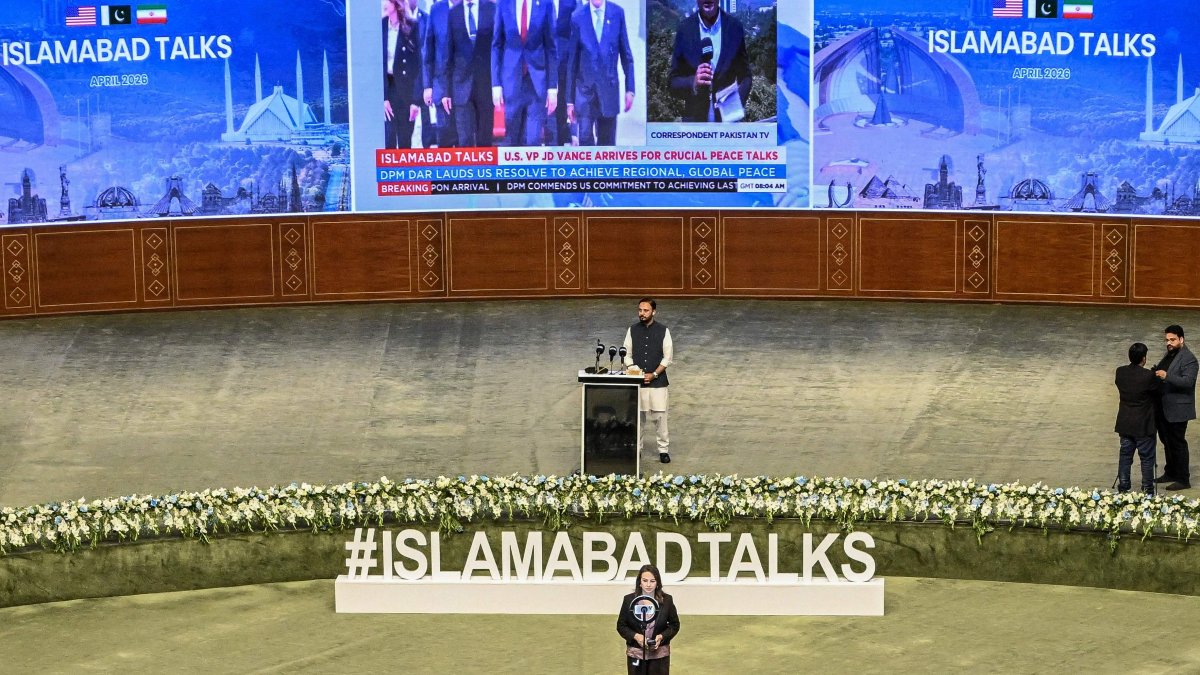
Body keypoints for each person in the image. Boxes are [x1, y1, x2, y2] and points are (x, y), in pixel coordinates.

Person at [667, 0, 752, 123]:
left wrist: (736, 102)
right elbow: (672, 82)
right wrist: (693, 83)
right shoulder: (684, 29)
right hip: (695, 125)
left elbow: (746, 76)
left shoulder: (734, 28)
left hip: (728, 124)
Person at [564, 0, 634, 146]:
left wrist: (630, 89)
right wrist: (569, 101)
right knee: (586, 147)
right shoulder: (577, 17)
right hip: (584, 94)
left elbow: (626, 56)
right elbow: (572, 62)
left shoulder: (617, 13)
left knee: (607, 148)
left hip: (609, 92)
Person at [491, 0, 558, 146]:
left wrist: (552, 88)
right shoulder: (503, 4)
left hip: (537, 82)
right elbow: (497, 45)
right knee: (510, 141)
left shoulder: (546, 4)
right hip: (511, 82)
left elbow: (551, 47)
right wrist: (496, 84)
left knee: (533, 141)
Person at [623, 298, 673, 463]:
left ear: (654, 312)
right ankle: (636, 449)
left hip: (658, 383)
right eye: (640, 310)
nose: (642, 313)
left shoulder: (663, 331)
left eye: (645, 310)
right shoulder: (632, 330)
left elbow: (667, 358)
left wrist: (654, 374)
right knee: (637, 418)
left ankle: (663, 451)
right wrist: (635, 372)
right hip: (637, 382)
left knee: (660, 418)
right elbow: (627, 355)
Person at [441, 0, 496, 147]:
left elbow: (498, 47)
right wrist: (445, 91)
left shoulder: (491, 9)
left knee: (485, 140)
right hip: (460, 86)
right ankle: (468, 170)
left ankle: (485, 170)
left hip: (486, 84)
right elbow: (447, 54)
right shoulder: (453, 13)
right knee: (464, 140)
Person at [1153, 324, 1198, 490]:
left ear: (1181, 339)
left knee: (1178, 443)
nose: (1168, 343)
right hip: (1163, 407)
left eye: (1172, 339)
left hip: (1178, 409)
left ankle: (1183, 479)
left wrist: (1166, 376)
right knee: (1167, 441)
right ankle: (1170, 472)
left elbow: (1188, 382)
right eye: (1166, 340)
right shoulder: (1170, 354)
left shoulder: (1189, 359)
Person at [617, 564, 679, 675]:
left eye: (652, 581)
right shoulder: (628, 600)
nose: (648, 585)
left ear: (658, 583)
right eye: (645, 581)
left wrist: (662, 636)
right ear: (639, 582)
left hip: (660, 655)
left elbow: (674, 625)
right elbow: (621, 626)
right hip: (636, 654)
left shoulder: (667, 600)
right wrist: (636, 636)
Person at [1115, 342, 1158, 494]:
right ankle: (1147, 488)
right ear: (1144, 358)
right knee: (1146, 458)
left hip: (1125, 422)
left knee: (1125, 456)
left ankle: (1123, 487)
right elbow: (1156, 391)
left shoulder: (1120, 372)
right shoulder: (1149, 376)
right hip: (1143, 424)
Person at [383, 0, 426, 149]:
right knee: (388, 137)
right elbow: (377, 65)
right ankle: (388, 172)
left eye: (386, 1)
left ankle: (404, 172)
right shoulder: (380, 27)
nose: (383, 4)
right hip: (388, 89)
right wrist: (383, 97)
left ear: (396, 4)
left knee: (405, 140)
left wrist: (416, 100)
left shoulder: (411, 27)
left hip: (407, 91)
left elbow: (419, 66)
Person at [423, 0, 459, 148]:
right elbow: (429, 50)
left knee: (465, 138)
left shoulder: (472, 7)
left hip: (466, 85)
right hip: (440, 84)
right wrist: (427, 86)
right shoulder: (436, 10)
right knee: (444, 135)